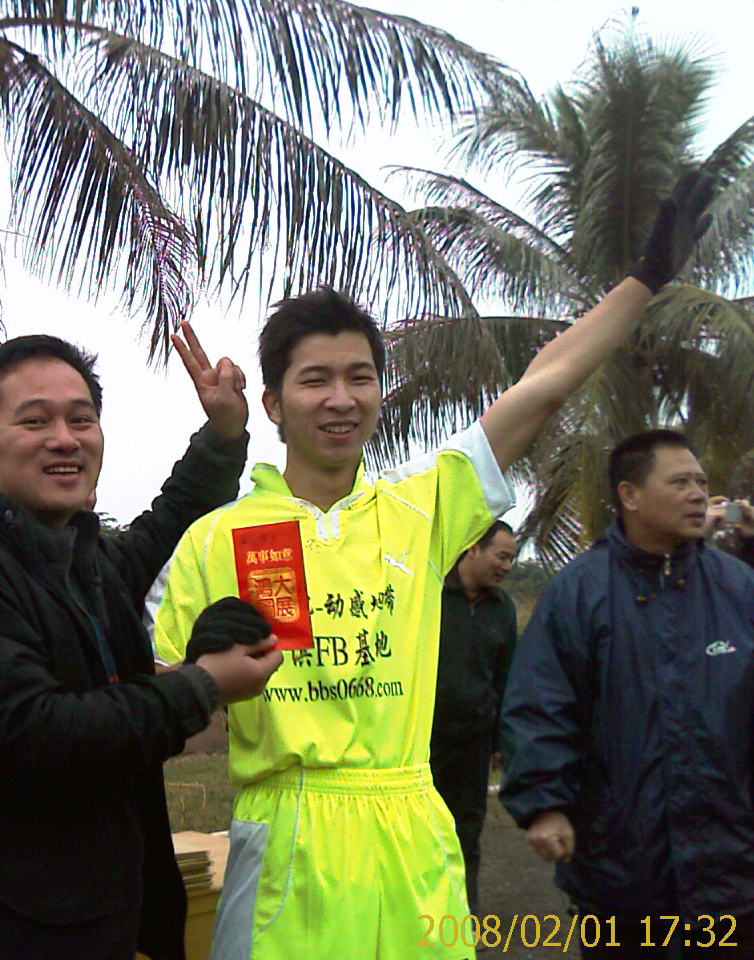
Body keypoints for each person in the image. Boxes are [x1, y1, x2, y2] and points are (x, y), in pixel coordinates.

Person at [149, 170, 716, 960]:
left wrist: (645, 280)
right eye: (315, 380)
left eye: (360, 377)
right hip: (283, 844)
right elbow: (155, 707)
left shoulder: (423, 506)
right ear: (273, 403)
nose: (341, 398)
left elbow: (543, 387)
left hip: (411, 834)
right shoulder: (216, 540)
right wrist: (205, 681)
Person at [0, 327, 284, 960]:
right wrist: (201, 686)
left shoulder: (79, 560)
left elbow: (164, 526)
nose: (65, 439)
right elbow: (38, 738)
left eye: (81, 419)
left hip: (97, 921)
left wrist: (224, 435)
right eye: (34, 421)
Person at [500, 430, 754, 958]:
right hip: (620, 871)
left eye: (701, 482)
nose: (697, 494)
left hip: (731, 872)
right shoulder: (578, 591)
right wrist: (545, 804)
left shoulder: (739, 587)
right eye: (680, 482)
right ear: (629, 495)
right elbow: (541, 705)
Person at [430, 520, 518, 916]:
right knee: (420, 829)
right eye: (501, 556)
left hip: (474, 741)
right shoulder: (430, 593)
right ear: (473, 549)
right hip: (424, 740)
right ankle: (418, 916)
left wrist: (500, 741)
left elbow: (505, 676)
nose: (507, 566)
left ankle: (463, 916)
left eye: (512, 559)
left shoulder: (503, 608)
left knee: (467, 829)